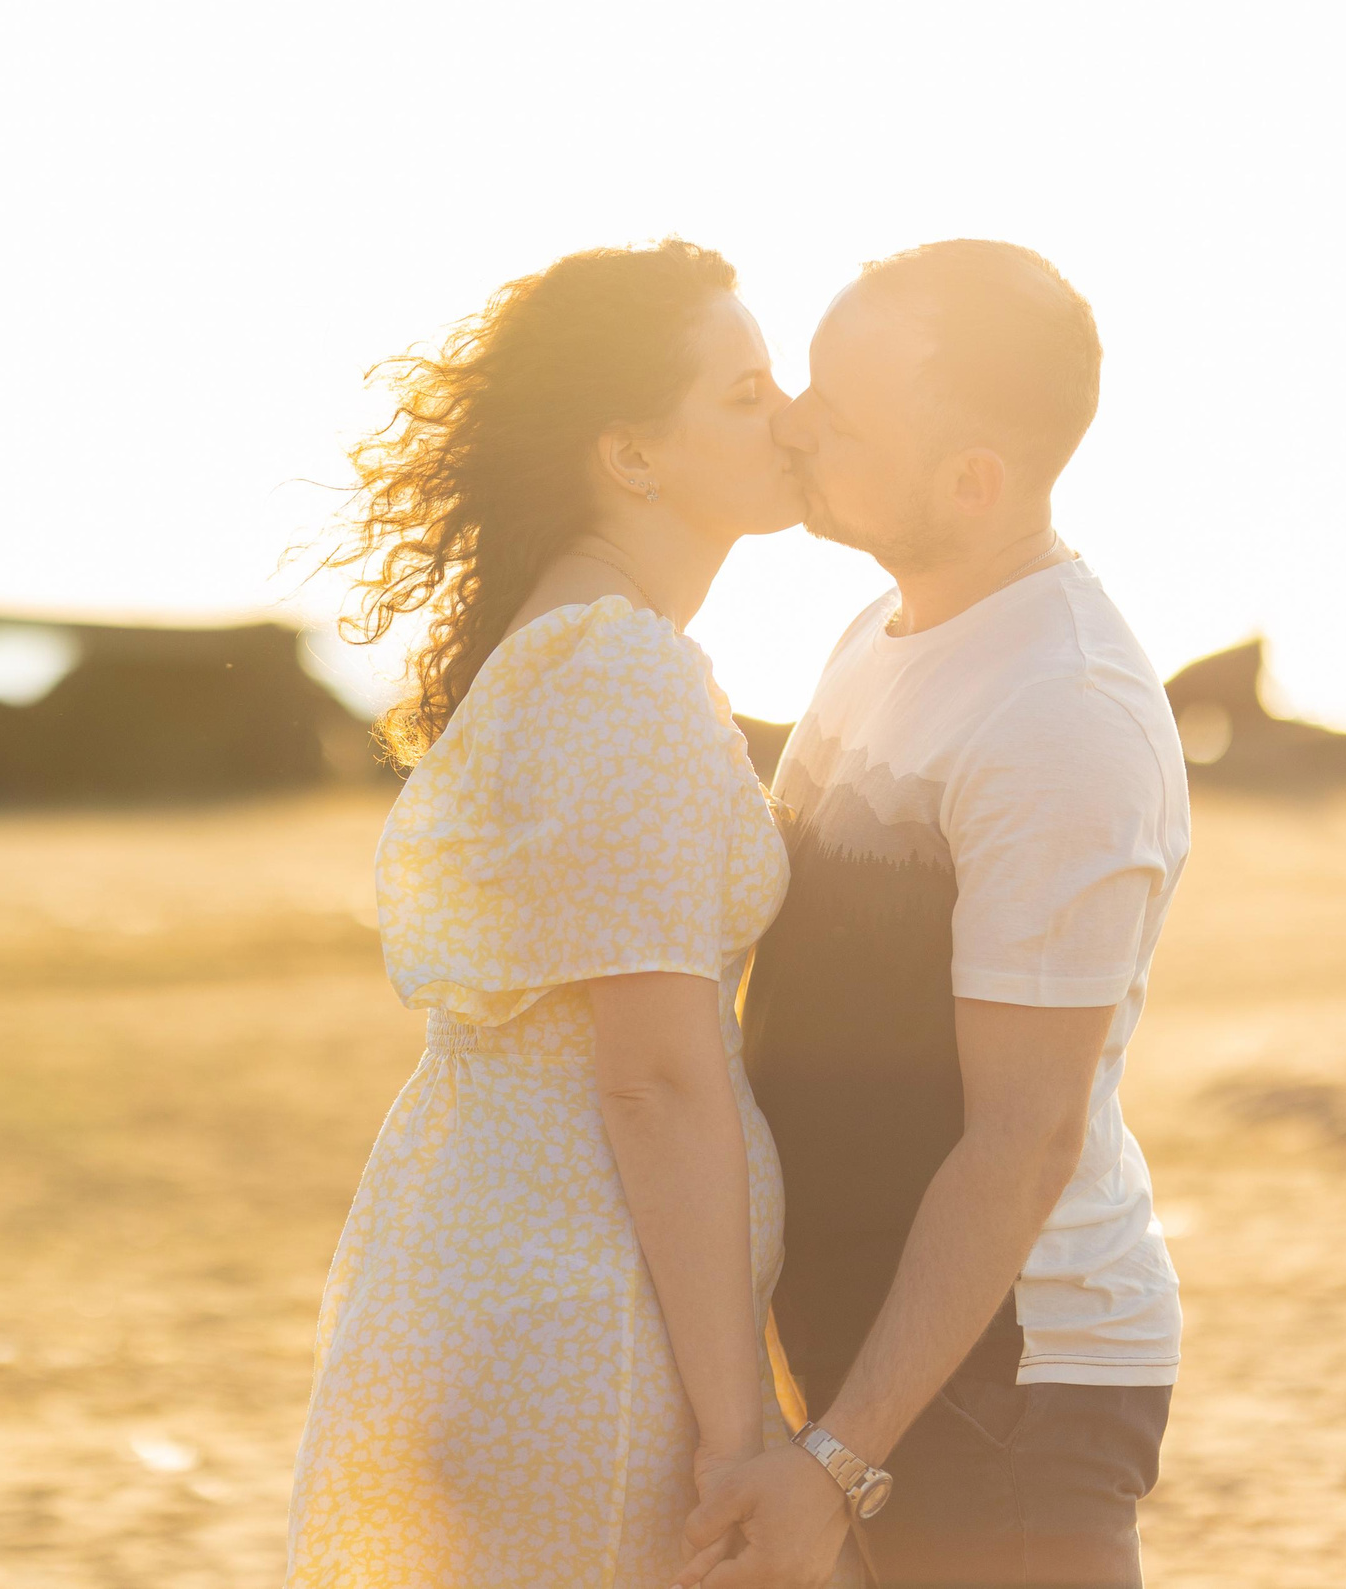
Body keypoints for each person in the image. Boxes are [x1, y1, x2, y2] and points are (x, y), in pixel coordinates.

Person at [283, 239, 805, 1587]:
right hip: (590, 1316)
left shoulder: (590, 642)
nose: (790, 416)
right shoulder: (614, 668)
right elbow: (653, 1077)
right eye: (744, 393)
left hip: (539, 1277)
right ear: (632, 456)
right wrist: (738, 1432)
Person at [681, 241, 1187, 1589]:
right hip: (880, 1354)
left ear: (974, 481)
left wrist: (838, 1459)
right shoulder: (882, 631)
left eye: (840, 416)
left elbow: (1025, 1138)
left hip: (1005, 1382)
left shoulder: (1062, 713)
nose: (794, 422)